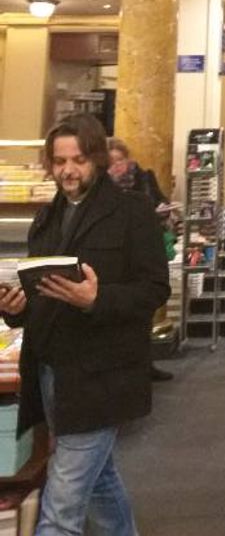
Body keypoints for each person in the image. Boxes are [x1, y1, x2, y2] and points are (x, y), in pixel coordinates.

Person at [0, 114, 169, 536]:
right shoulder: (46, 218)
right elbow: (40, 294)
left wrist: (98, 298)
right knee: (100, 483)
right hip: (51, 372)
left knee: (62, 506)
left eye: (77, 160)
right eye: (59, 162)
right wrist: (15, 307)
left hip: (103, 376)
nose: (68, 170)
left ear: (96, 158)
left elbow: (154, 290)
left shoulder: (132, 212)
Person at [107, 137, 172, 382]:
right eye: (112, 161)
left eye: (120, 160)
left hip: (144, 250)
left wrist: (161, 209)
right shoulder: (101, 187)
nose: (117, 166)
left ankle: (146, 364)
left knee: (143, 312)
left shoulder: (144, 177)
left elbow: (159, 198)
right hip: (117, 257)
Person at [107, 136, 166, 206]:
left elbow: (161, 200)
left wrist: (164, 207)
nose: (116, 165)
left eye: (120, 159)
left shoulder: (145, 177)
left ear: (127, 159)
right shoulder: (100, 184)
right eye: (110, 162)